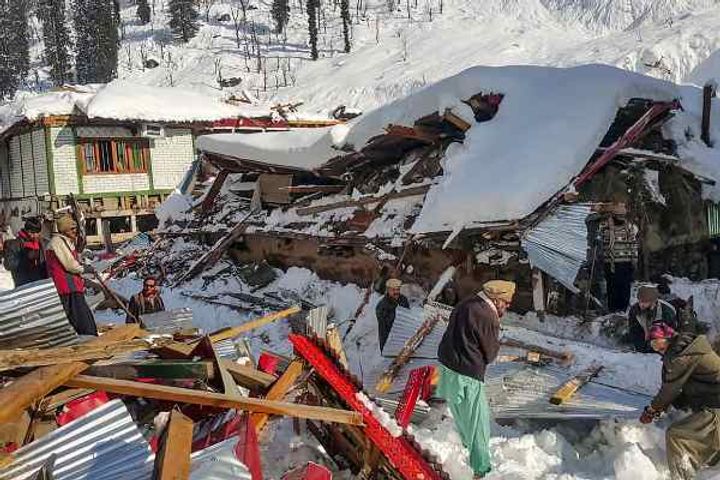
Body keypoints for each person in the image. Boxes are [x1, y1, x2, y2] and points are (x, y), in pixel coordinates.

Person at [436, 279, 516, 478]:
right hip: (467, 373)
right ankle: (482, 469)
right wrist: (496, 341)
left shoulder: (467, 302)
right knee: (478, 423)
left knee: (461, 414)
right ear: (496, 300)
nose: (508, 306)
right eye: (506, 302)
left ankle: (467, 445)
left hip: (447, 366)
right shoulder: (488, 316)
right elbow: (490, 355)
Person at [640, 323, 720, 479]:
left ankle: (681, 476)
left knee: (675, 435)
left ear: (669, 338)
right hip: (713, 401)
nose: (656, 348)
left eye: (658, 342)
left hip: (716, 406)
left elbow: (670, 389)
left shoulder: (681, 356)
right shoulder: (687, 348)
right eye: (652, 344)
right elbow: (681, 387)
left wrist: (651, 410)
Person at [45, 215, 98, 336]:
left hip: (71, 285)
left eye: (75, 229)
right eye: (72, 229)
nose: (75, 231)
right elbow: (70, 265)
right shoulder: (58, 242)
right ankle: (89, 337)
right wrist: (84, 269)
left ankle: (86, 335)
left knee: (77, 314)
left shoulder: (66, 242)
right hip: (67, 286)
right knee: (80, 315)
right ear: (64, 230)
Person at [627, 284, 677, 352]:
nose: (642, 304)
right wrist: (643, 346)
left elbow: (672, 333)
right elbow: (634, 332)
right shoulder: (634, 310)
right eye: (640, 301)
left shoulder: (667, 312)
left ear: (653, 301)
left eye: (645, 302)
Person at [2, 217, 48, 287]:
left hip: (42, 283)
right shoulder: (14, 244)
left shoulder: (43, 242)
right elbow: (8, 265)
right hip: (24, 284)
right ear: (28, 231)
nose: (36, 235)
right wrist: (25, 257)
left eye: (38, 232)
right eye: (34, 233)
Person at [375, 278, 410, 352]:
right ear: (388, 290)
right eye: (393, 290)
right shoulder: (382, 306)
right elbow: (386, 326)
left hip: (404, 339)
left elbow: (408, 315)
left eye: (398, 289)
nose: (396, 292)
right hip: (389, 342)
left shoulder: (403, 300)